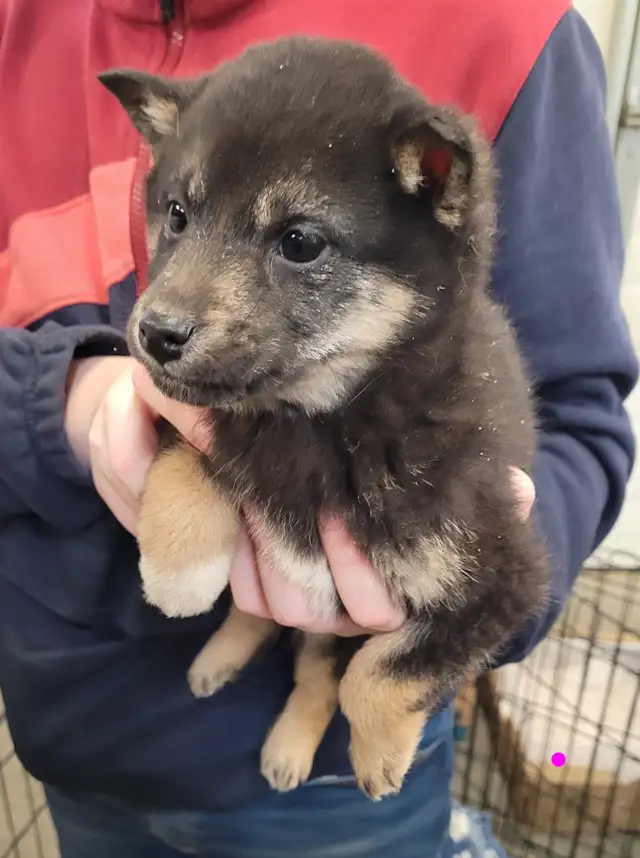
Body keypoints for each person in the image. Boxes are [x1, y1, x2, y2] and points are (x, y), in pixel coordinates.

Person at [0, 0, 636, 856]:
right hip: (69, 730)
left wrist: (442, 602)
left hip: (334, 805)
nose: (169, 307)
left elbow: (577, 415)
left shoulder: (508, 28)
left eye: (297, 243)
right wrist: (61, 397)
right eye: (177, 220)